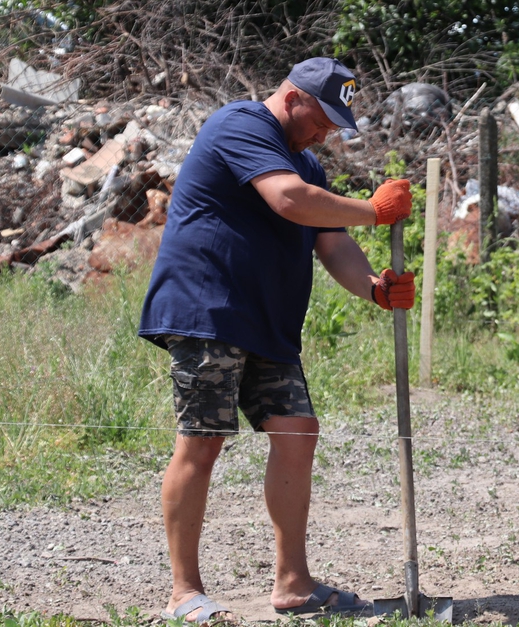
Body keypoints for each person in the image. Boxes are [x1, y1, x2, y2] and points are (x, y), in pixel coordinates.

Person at [138, 57, 416, 625]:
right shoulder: (240, 126)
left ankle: (293, 583)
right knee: (203, 440)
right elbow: (290, 200)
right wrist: (374, 210)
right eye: (323, 118)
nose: (327, 131)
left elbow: (331, 241)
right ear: (293, 99)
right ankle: (184, 593)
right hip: (205, 310)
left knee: (297, 434)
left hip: (267, 323)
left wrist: (374, 288)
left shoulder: (305, 159)